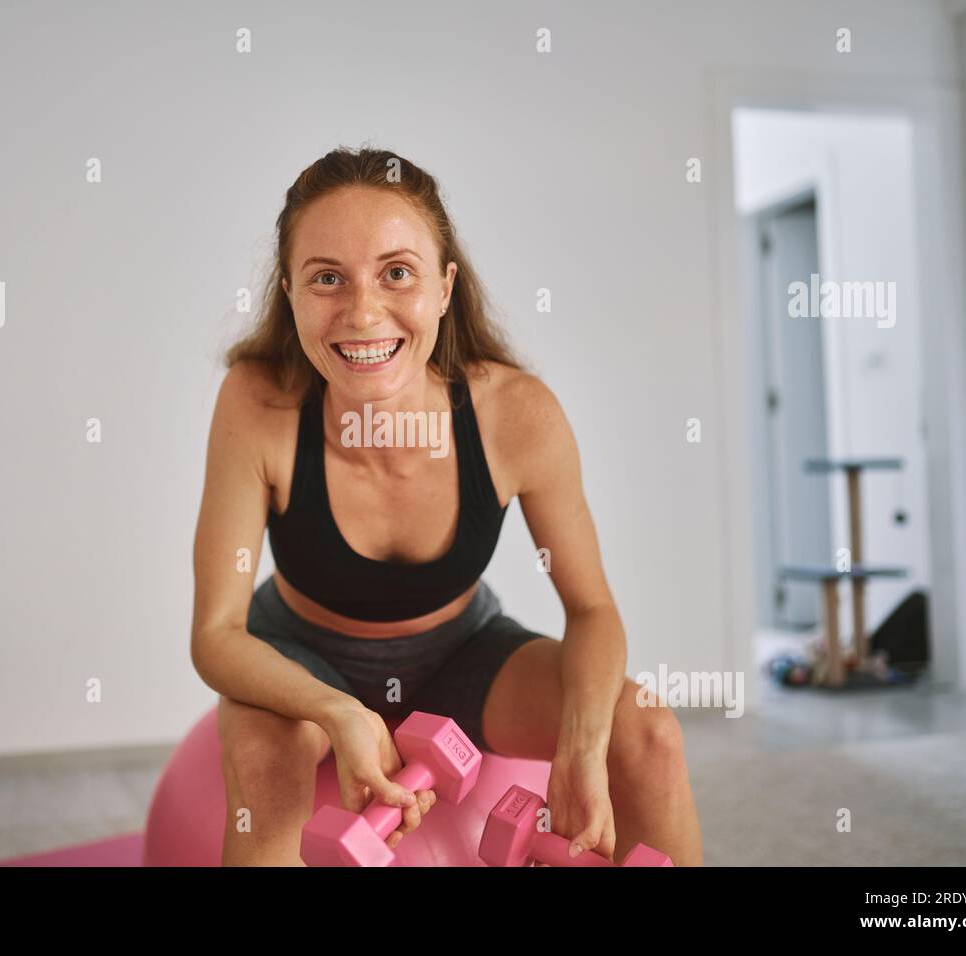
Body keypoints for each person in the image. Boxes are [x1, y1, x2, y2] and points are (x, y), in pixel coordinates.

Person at [190, 146, 703, 866]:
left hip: (462, 654)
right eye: (327, 279)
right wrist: (337, 710)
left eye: (397, 272)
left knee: (648, 733)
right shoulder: (257, 400)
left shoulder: (516, 414)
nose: (363, 312)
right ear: (291, 292)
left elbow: (592, 608)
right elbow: (215, 632)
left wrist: (584, 748)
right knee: (269, 773)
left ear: (443, 288)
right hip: (298, 655)